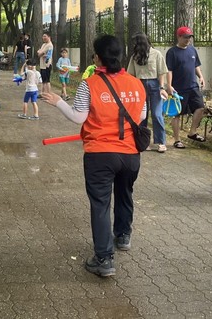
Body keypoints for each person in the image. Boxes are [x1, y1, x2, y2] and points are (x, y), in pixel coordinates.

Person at [42, 34, 146, 278]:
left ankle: (104, 258)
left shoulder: (89, 84)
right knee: (125, 192)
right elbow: (141, 116)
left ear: (98, 58)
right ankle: (123, 236)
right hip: (130, 153)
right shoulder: (136, 84)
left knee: (101, 204)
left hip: (100, 154)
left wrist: (58, 102)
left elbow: (79, 117)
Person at [127, 33, 169, 153]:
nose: (133, 45)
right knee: (142, 115)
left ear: (140, 42)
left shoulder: (156, 54)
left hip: (155, 84)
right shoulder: (135, 56)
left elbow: (161, 72)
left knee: (156, 114)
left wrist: (162, 88)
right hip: (139, 84)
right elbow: (131, 74)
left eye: (135, 42)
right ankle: (143, 142)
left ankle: (161, 142)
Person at [165, 26, 206, 148]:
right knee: (177, 114)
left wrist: (201, 77)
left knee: (200, 108)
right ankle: (177, 140)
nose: (188, 39)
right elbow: (169, 70)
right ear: (179, 37)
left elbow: (196, 65)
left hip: (193, 86)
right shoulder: (172, 52)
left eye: (189, 37)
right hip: (178, 89)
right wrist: (169, 85)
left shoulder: (192, 50)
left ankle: (192, 132)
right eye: (185, 37)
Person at [37, 32, 54, 96]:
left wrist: (41, 53)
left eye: (45, 36)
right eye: (43, 36)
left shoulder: (50, 45)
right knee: (43, 80)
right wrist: (40, 53)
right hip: (42, 65)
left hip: (47, 65)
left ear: (49, 37)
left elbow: (42, 54)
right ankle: (42, 93)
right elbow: (39, 53)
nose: (43, 37)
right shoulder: (43, 44)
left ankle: (49, 94)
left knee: (47, 80)